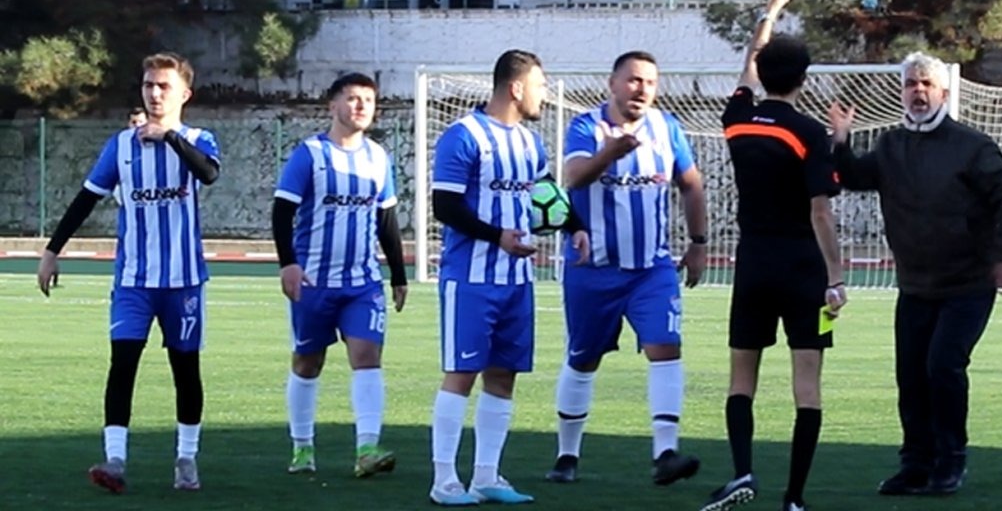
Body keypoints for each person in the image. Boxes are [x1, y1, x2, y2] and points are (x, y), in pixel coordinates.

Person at [829, 51, 1002, 496]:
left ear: (943, 92)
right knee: (911, 375)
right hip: (915, 286)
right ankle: (915, 464)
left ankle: (950, 461)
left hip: (968, 284)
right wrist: (840, 142)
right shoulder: (891, 146)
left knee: (943, 366)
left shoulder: (971, 146)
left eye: (926, 84)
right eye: (910, 84)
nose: (918, 91)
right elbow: (852, 176)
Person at [37, 52, 221, 493]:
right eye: (148, 86)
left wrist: (171, 137)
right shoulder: (120, 146)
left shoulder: (199, 138)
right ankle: (115, 459)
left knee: (185, 369)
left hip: (183, 281)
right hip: (134, 281)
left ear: (183, 94)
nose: (155, 93)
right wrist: (51, 250)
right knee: (122, 364)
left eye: (163, 86)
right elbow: (86, 197)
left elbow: (209, 174)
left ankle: (186, 458)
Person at [700, 0, 848, 511]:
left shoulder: (737, 119)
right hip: (804, 269)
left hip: (753, 264)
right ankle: (794, 498)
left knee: (743, 376)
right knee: (806, 384)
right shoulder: (810, 133)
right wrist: (835, 277)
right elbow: (821, 212)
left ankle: (743, 472)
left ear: (761, 74)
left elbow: (747, 66)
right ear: (804, 80)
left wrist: (772, 10)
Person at [429, 49, 589, 506]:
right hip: (471, 278)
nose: (544, 95)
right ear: (516, 87)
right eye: (539, 85)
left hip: (516, 279)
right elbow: (445, 205)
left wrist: (575, 225)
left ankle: (486, 475)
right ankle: (444, 480)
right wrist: (497, 235)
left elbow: (546, 193)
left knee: (503, 376)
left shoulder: (529, 143)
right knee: (461, 373)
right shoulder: (463, 136)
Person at [544, 50, 708, 487]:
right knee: (583, 359)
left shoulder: (666, 128)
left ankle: (665, 452)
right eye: (633, 80)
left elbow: (691, 184)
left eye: (649, 83)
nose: (641, 89)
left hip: (650, 268)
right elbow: (574, 177)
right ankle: (567, 454)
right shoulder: (586, 126)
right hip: (592, 268)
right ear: (612, 84)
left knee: (665, 346)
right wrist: (610, 153)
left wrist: (698, 243)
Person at [272, 72, 408, 478]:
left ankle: (367, 447)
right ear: (332, 106)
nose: (361, 106)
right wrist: (288, 263)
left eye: (368, 99)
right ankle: (302, 448)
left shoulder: (378, 158)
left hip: (362, 284)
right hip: (313, 283)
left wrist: (399, 275)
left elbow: (387, 219)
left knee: (366, 357)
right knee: (307, 362)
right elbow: (282, 210)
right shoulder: (310, 155)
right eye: (352, 98)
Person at [112, 109, 149, 205]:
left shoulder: (158, 144)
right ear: (128, 124)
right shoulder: (120, 145)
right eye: (134, 122)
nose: (137, 125)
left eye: (141, 122)